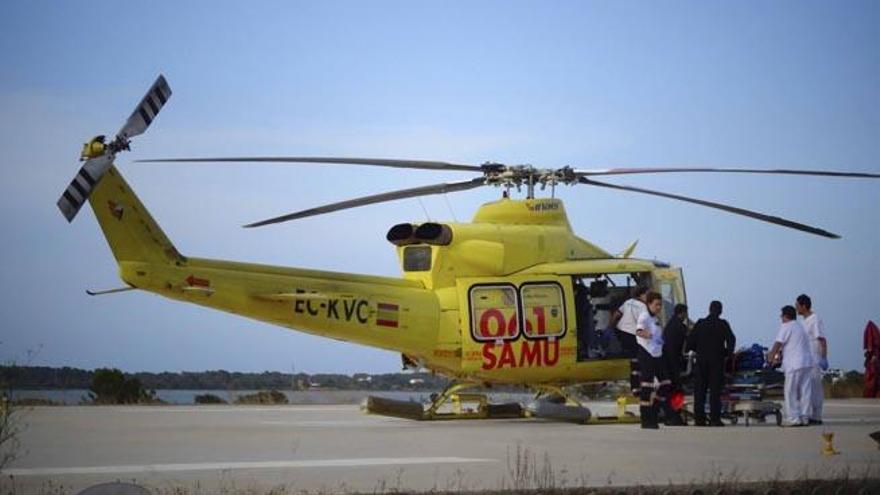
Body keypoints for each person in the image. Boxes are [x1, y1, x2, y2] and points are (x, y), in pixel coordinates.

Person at [634, 291, 683, 428]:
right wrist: (648, 335)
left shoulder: (656, 318)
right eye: (656, 305)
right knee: (647, 386)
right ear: (649, 304)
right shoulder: (644, 316)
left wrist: (660, 340)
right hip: (647, 354)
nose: (659, 307)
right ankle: (646, 419)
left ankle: (654, 409)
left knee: (666, 384)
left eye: (660, 305)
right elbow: (638, 331)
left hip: (657, 354)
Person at [687, 300, 736, 427]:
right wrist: (727, 353)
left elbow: (690, 341)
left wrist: (697, 349)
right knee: (715, 391)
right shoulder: (723, 324)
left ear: (709, 309)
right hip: (717, 361)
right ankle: (715, 419)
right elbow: (731, 339)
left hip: (701, 360)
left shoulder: (700, 323)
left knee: (700, 391)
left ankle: (699, 419)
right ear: (720, 311)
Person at [768, 305, 814, 427]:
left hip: (794, 364)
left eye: (781, 315)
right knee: (805, 392)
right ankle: (805, 417)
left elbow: (778, 343)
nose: (780, 317)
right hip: (806, 363)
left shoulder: (786, 326)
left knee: (790, 391)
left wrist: (770, 357)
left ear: (786, 316)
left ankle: (794, 418)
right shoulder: (800, 326)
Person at [796, 294, 828, 425]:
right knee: (806, 388)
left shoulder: (815, 319)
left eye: (797, 305)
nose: (796, 308)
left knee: (815, 388)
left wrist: (824, 357)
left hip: (815, 358)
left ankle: (817, 416)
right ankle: (808, 414)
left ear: (804, 306)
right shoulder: (803, 322)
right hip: (805, 359)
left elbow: (822, 339)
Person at [611, 285, 649, 395]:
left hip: (622, 332)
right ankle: (638, 388)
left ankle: (635, 387)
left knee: (634, 360)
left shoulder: (628, 302)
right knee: (640, 361)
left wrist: (611, 327)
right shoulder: (643, 307)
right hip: (633, 334)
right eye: (647, 294)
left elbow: (616, 314)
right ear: (642, 294)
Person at [663, 304, 689, 392]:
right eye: (685, 314)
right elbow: (689, 339)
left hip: (666, 355)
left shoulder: (669, 324)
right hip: (675, 356)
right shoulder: (681, 326)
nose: (686, 316)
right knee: (676, 378)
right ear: (681, 313)